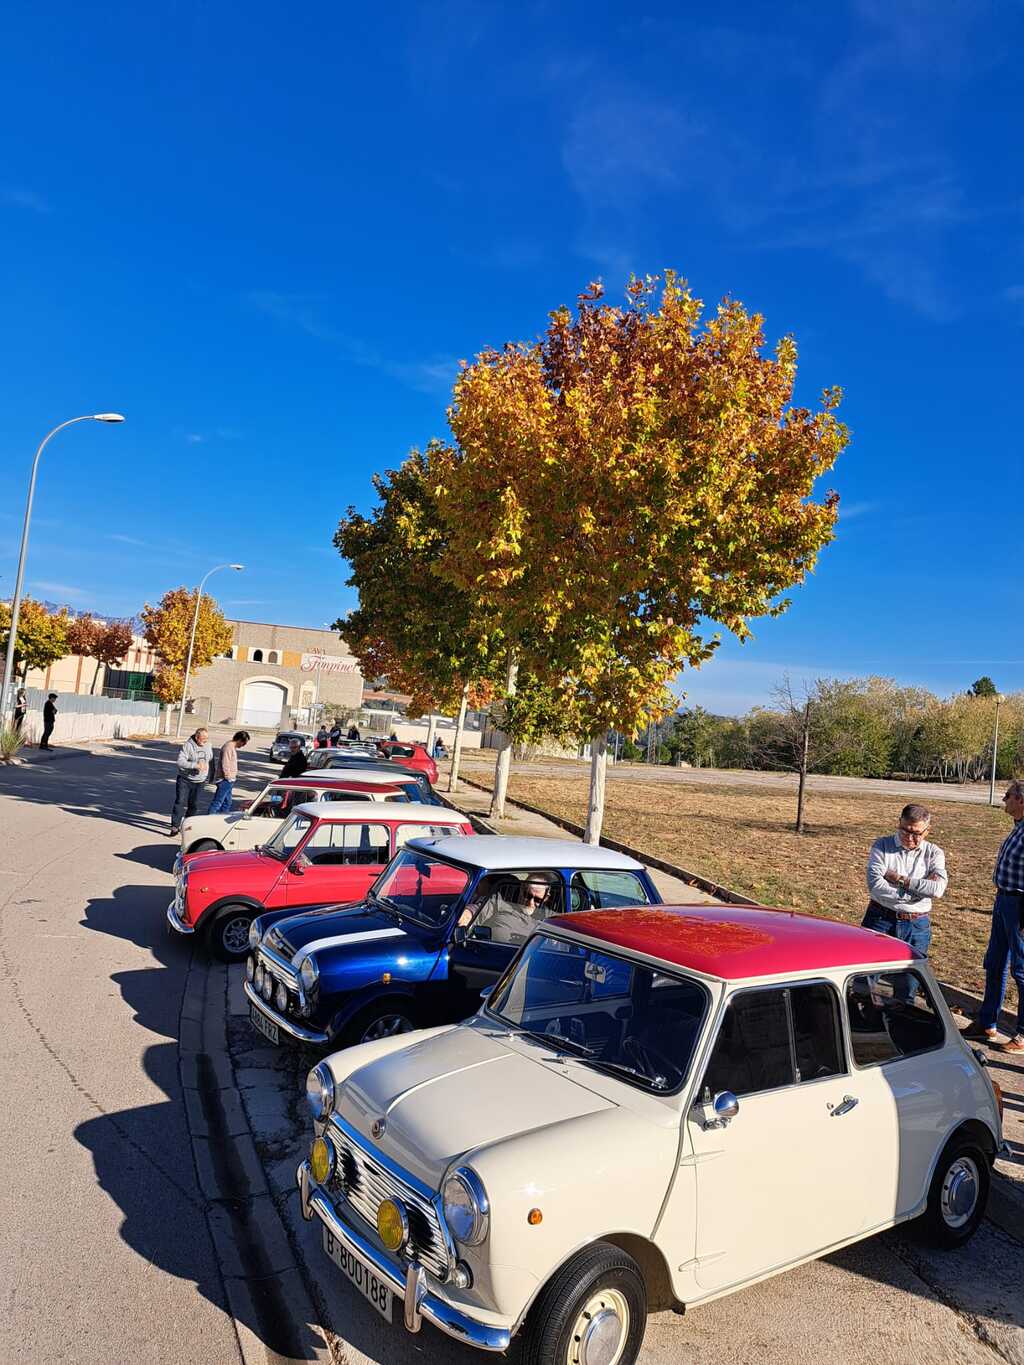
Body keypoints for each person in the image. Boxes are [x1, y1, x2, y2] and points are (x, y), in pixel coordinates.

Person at [964, 780, 1024, 1053]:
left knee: (1021, 970)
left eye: (1008, 795)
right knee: (995, 962)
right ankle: (987, 1022)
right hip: (1004, 901)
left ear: (1021, 800)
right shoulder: (1018, 827)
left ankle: (1022, 1035)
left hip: (1019, 905)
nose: (1003, 799)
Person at [862, 804, 947, 987]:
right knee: (864, 981)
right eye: (905, 830)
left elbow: (937, 889)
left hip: (916, 925)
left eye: (916, 833)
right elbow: (875, 885)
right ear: (899, 822)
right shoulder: (882, 846)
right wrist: (916, 894)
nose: (909, 837)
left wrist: (900, 879)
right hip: (880, 919)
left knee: (908, 986)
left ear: (927, 830)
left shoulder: (934, 853)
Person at [460, 874, 557, 945]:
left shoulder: (549, 916)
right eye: (527, 895)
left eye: (537, 900)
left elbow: (562, 926)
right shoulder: (502, 901)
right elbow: (480, 909)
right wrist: (468, 913)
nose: (530, 903)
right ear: (521, 888)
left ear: (546, 898)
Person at [169, 727, 212, 835]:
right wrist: (195, 765)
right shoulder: (188, 745)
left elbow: (211, 760)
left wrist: (212, 775)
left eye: (207, 738)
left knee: (194, 804)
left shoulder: (208, 745)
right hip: (185, 780)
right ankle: (175, 827)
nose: (205, 741)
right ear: (197, 737)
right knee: (180, 802)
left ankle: (187, 825)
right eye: (203, 738)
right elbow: (180, 761)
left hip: (200, 780)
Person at [208, 730, 250, 813]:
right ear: (239, 740)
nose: (244, 745)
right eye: (244, 743)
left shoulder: (232, 747)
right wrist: (228, 777)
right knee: (218, 802)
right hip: (225, 780)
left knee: (227, 802)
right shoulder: (228, 747)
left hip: (229, 780)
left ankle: (221, 817)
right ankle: (210, 817)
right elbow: (225, 763)